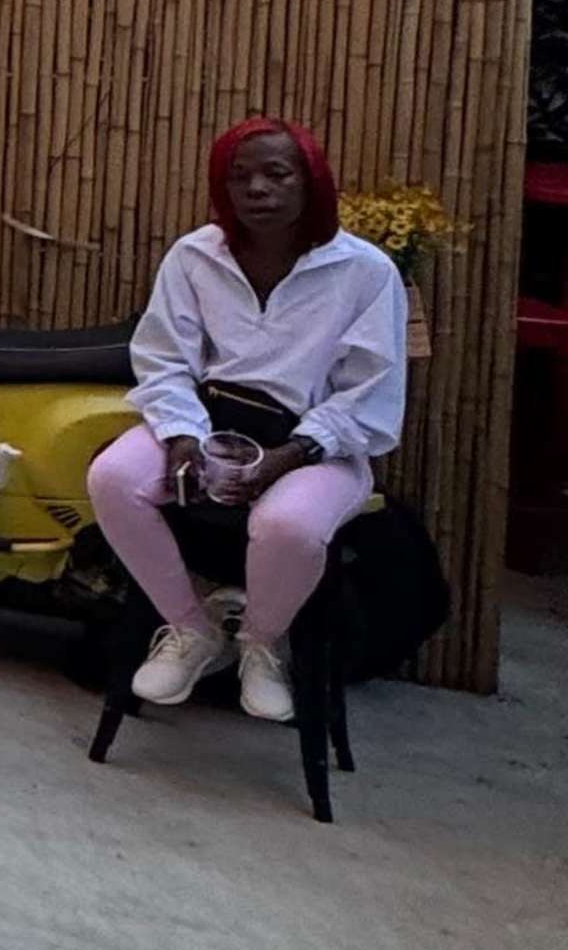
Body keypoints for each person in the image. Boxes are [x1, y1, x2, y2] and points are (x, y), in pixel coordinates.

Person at [88, 118, 405, 723]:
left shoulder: (365, 272)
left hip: (315, 446)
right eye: (240, 178)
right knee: (113, 478)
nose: (257, 189)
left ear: (310, 182)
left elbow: (370, 393)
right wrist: (183, 435)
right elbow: (162, 358)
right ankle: (189, 627)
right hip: (212, 427)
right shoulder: (195, 256)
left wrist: (289, 456)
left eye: (276, 174)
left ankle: (262, 642)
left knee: (287, 524)